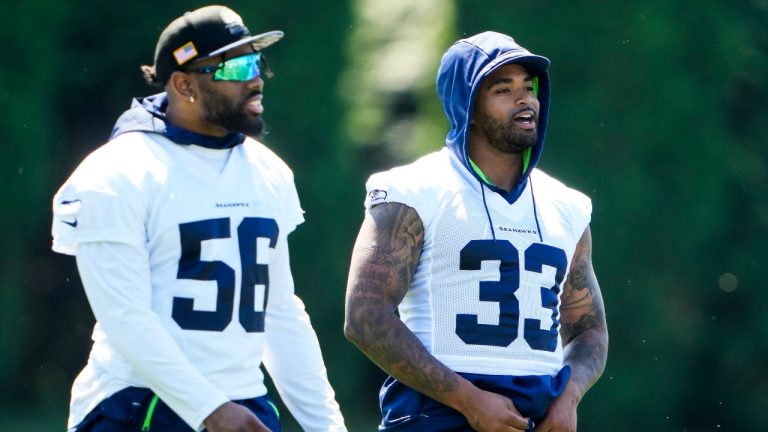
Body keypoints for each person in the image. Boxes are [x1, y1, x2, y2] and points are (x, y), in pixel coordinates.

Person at [51, 5, 347, 432]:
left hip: (243, 401)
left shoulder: (269, 170)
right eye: (236, 65)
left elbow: (280, 313)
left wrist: (327, 425)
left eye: (257, 61)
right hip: (139, 402)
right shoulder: (117, 172)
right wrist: (210, 408)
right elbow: (125, 317)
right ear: (184, 84)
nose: (256, 78)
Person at [344, 31, 608, 432]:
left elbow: (589, 328)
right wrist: (468, 401)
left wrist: (569, 396)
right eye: (503, 89)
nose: (525, 100)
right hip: (436, 416)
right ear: (466, 103)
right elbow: (364, 316)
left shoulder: (567, 205)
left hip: (536, 415)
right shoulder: (414, 190)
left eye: (528, 87)